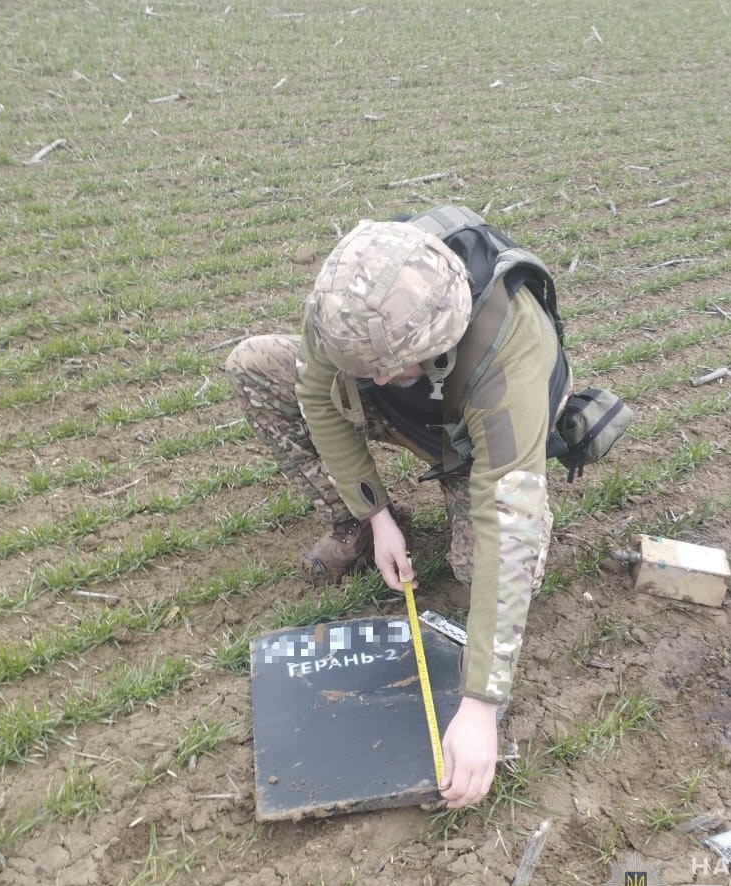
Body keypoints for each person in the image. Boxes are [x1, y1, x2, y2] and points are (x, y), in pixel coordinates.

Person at [224, 210, 572, 809]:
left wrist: (481, 706)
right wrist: (376, 515)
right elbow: (318, 395)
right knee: (255, 365)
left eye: (389, 367)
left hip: (477, 436)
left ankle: (455, 489)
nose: (377, 377)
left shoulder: (509, 355)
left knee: (483, 572)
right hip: (415, 413)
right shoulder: (346, 305)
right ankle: (360, 525)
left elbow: (507, 526)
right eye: (366, 368)